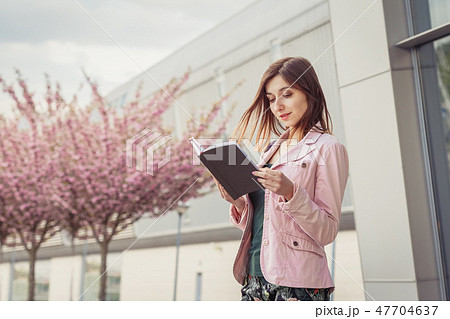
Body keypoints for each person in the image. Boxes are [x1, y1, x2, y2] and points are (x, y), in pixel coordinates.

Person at [212, 56, 349, 301]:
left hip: (298, 285)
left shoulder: (328, 148)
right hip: (253, 279)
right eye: (272, 99)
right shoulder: (269, 150)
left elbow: (327, 231)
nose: (278, 107)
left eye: (287, 95)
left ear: (310, 93)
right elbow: (265, 225)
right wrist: (239, 203)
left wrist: (291, 193)